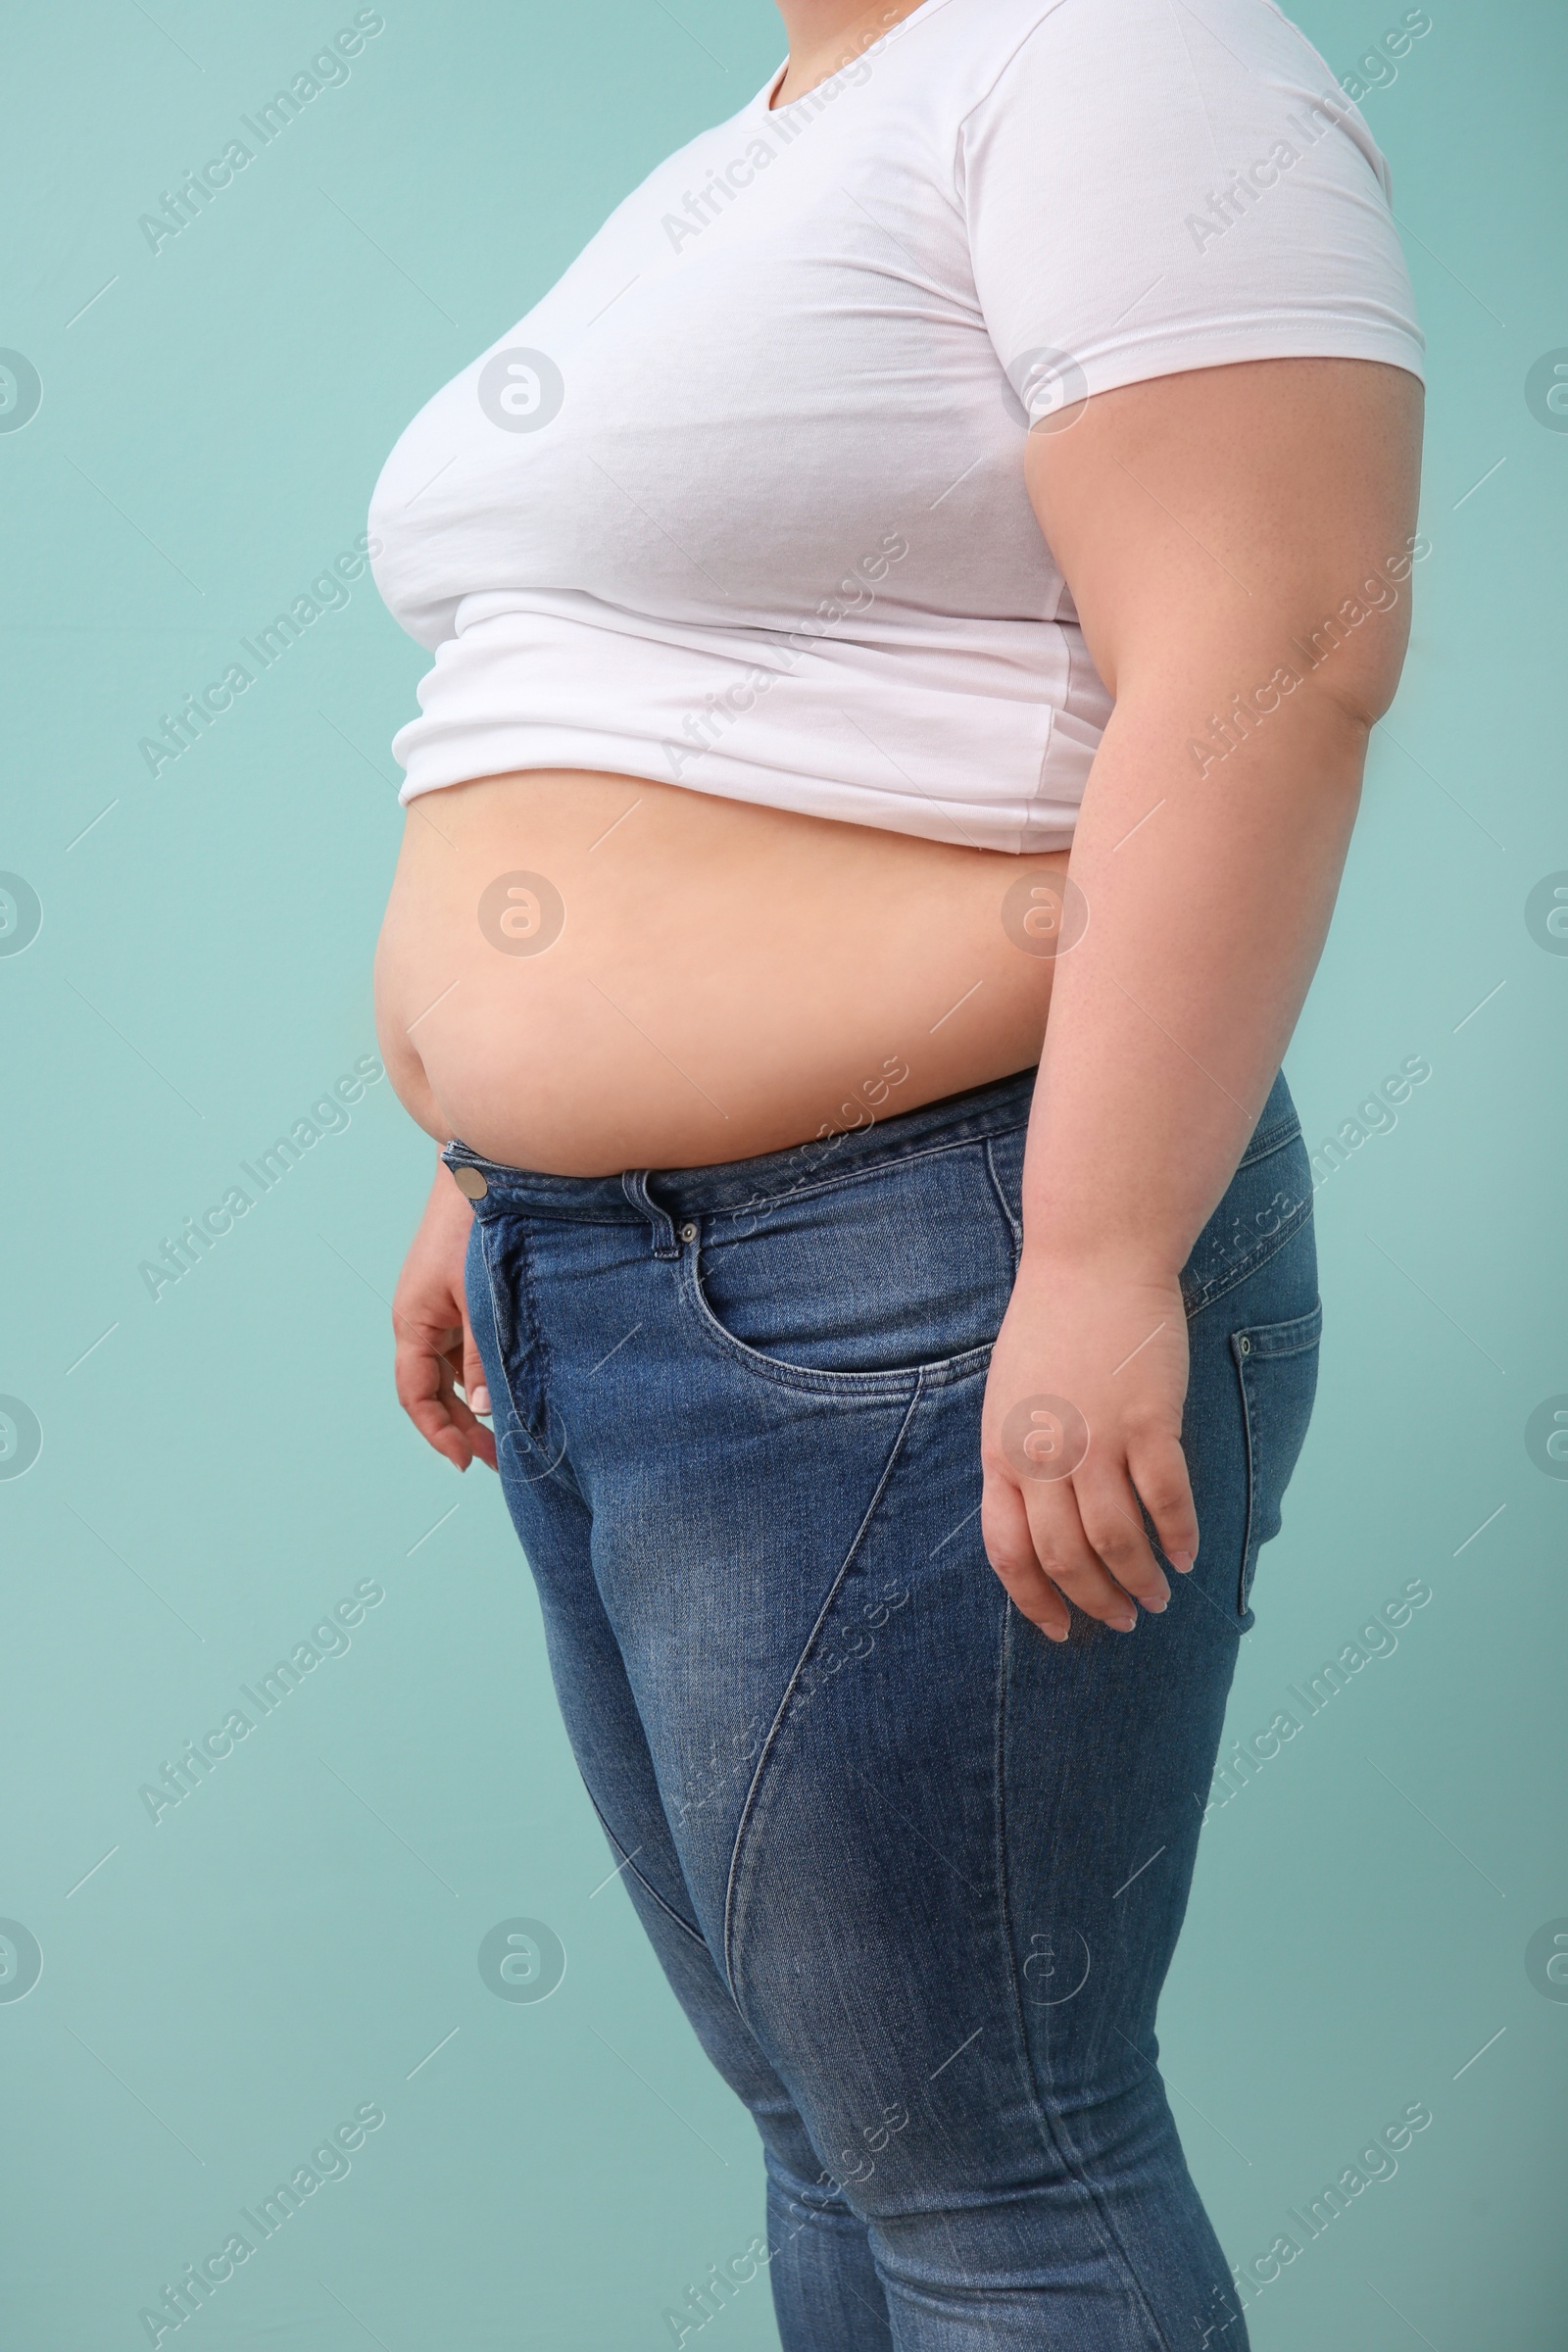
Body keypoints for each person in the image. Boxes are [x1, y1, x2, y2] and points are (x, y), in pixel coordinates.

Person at [367, 0, 1425, 2340]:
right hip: (610, 1275)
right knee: (846, 2153)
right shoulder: (744, 154)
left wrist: (1100, 1246)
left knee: (989, 2169)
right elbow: (604, 684)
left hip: (920, 1248)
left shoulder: (1125, 57)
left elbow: (1268, 650)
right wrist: (497, 1154)